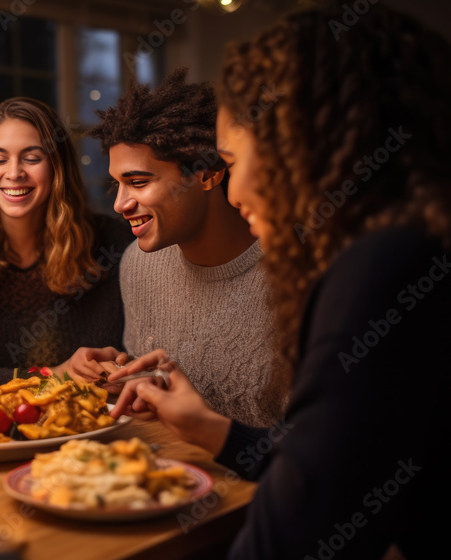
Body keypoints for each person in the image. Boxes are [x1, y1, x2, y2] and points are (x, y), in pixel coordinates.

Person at [110, 4, 451, 558]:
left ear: (300, 145)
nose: (235, 189)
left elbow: (292, 532)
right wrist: (214, 430)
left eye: (233, 160)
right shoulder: (415, 248)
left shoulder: (377, 272)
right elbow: (326, 470)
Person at [59, 69, 284, 428]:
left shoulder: (291, 274)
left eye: (138, 182)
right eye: (117, 183)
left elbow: (318, 444)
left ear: (208, 174)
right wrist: (122, 378)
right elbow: (160, 406)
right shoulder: (139, 266)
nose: (120, 204)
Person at [0, 97, 134, 391]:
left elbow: (130, 357)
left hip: (97, 423)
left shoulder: (114, 242)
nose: (14, 172)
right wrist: (58, 374)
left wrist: (116, 367)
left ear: (57, 166)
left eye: (32, 158)